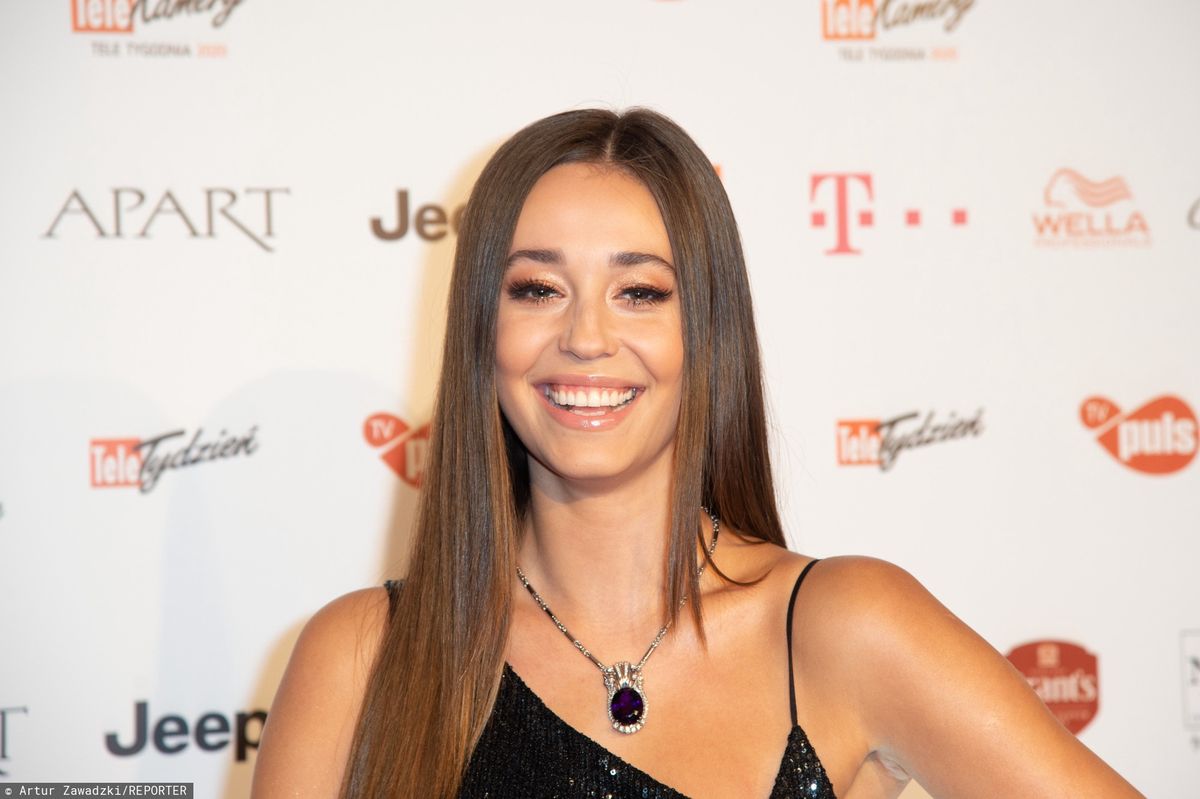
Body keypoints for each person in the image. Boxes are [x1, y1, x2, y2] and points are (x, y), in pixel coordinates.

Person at [250, 108, 1142, 798]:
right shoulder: (361, 659)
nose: (586, 337)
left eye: (640, 292)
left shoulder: (843, 627)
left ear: (707, 331)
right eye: (538, 288)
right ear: (483, 328)